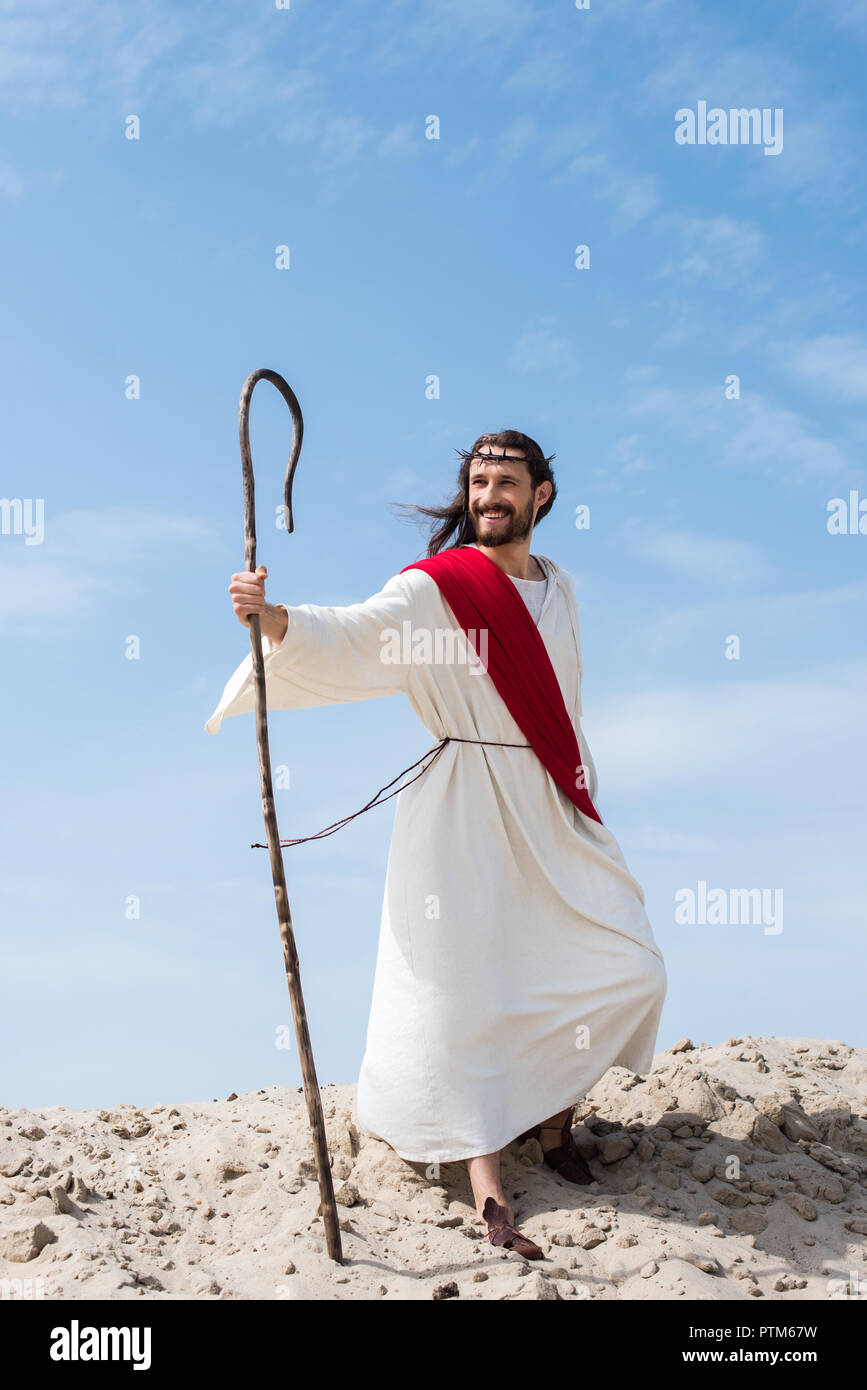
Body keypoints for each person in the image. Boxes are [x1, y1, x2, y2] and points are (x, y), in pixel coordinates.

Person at [206, 431, 667, 1261]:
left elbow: (564, 705)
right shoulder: (439, 589)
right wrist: (273, 618)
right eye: (478, 481)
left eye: (506, 482)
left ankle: (552, 1119)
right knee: (463, 987)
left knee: (629, 965)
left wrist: (581, 794)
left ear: (541, 496)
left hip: (551, 796)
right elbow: (356, 634)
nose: (489, 494)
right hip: (460, 803)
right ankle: (488, 1184)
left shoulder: (561, 592)